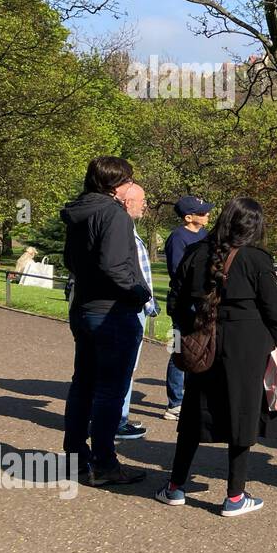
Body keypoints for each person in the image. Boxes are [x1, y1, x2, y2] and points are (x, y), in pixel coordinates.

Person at [156, 198, 277, 516]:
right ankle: (235, 495)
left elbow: (175, 299)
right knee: (241, 415)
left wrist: (189, 330)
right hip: (248, 344)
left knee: (194, 413)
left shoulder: (197, 252)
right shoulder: (257, 260)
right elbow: (273, 309)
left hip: (205, 340)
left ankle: (175, 486)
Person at [60, 156, 152, 486]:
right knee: (110, 392)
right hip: (112, 311)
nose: (132, 185)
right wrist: (140, 294)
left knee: (83, 386)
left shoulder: (79, 212)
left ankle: (75, 458)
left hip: (84, 307)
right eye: (129, 179)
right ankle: (104, 464)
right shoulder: (113, 214)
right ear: (116, 184)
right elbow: (114, 266)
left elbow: (70, 259)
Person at [114, 182, 159, 440]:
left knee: (125, 368)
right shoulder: (121, 229)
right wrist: (143, 299)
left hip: (134, 306)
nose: (145, 205)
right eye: (142, 200)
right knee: (124, 368)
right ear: (126, 202)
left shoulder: (127, 227)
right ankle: (117, 421)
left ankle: (119, 417)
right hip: (128, 308)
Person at [162, 194, 213, 421]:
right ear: (188, 217)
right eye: (202, 213)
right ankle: (175, 403)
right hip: (182, 303)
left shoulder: (205, 235)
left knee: (202, 348)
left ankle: (197, 398)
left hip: (203, 301)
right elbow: (177, 271)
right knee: (180, 350)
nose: (207, 215)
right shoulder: (177, 238)